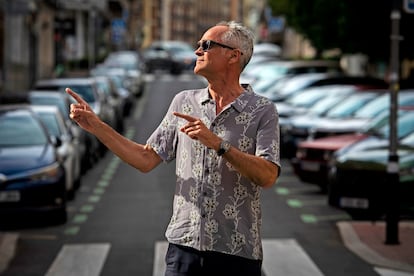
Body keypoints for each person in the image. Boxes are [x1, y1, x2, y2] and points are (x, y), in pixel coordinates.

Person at [67, 21, 280, 276]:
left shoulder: (262, 110)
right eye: (198, 45)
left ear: (234, 56)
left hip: (236, 252)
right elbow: (146, 158)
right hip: (183, 249)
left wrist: (219, 145)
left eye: (206, 45)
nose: (197, 51)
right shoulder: (184, 102)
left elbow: (267, 176)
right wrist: (97, 126)